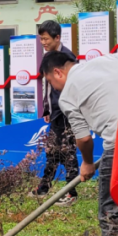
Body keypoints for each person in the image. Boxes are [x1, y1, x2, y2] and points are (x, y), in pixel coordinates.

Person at [42, 48, 118, 236]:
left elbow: (83, 139)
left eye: (50, 82)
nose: (54, 88)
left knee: (110, 209)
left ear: (58, 72)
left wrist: (88, 163)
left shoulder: (67, 96)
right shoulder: (110, 59)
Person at [31, 21, 79, 205]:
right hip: (55, 111)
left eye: (46, 39)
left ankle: (71, 192)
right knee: (52, 150)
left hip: (66, 111)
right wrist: (47, 108)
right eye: (41, 39)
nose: (43, 42)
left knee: (67, 150)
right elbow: (48, 86)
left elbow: (72, 87)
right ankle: (44, 187)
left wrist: (64, 109)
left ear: (57, 37)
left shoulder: (67, 57)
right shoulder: (48, 56)